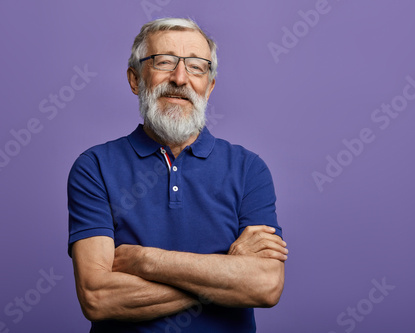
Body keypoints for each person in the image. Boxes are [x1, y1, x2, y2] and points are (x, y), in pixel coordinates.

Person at [68, 17, 288, 333]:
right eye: (164, 63)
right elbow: (98, 297)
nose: (180, 78)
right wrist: (228, 274)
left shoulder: (249, 169)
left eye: (197, 67)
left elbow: (265, 286)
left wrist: (146, 261)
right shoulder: (94, 167)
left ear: (209, 86)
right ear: (135, 79)